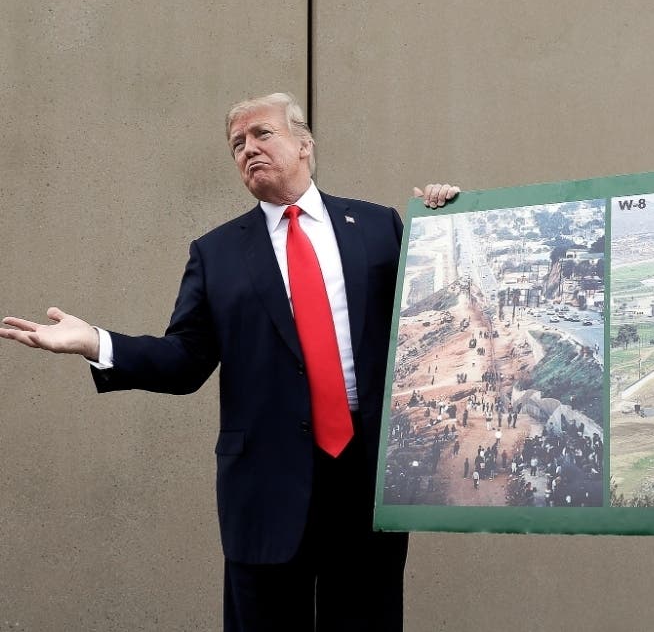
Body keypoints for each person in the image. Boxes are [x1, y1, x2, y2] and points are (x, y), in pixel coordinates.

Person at [0, 91, 459, 631]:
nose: (248, 149)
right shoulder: (216, 254)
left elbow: (439, 316)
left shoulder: (378, 226)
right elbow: (185, 359)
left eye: (263, 134)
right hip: (265, 485)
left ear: (304, 143)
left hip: (364, 481)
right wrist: (95, 342)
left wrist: (449, 218)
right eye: (236, 143)